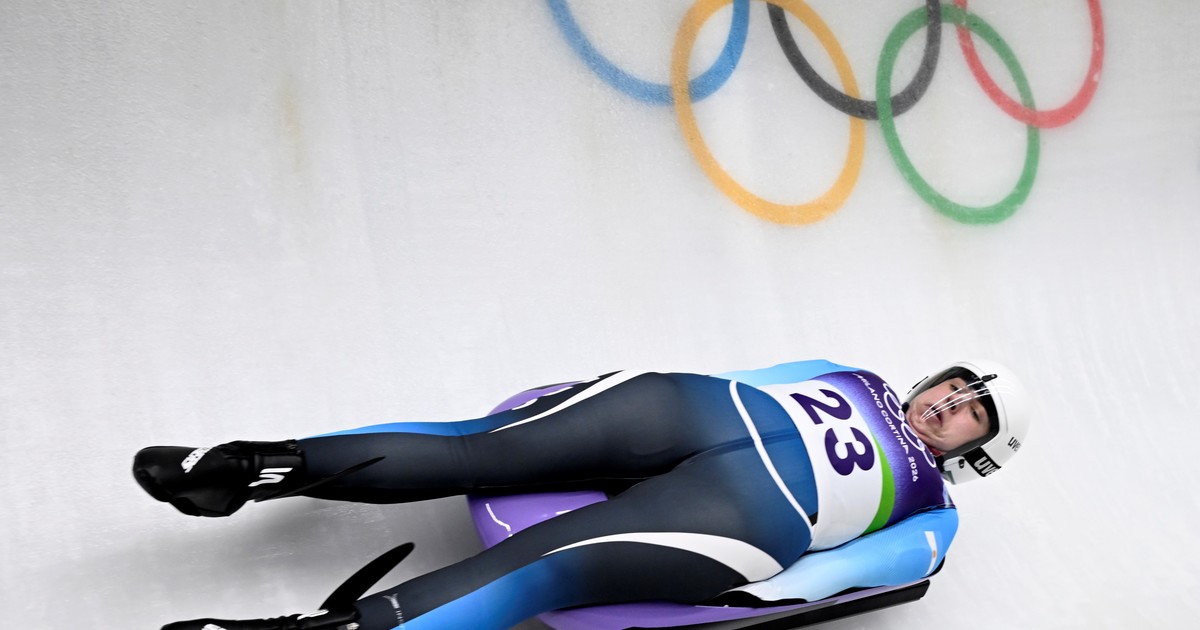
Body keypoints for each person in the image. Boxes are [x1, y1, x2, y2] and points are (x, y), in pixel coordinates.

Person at [133, 359, 1029, 630]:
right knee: (484, 446)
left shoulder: (932, 513)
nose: (948, 405)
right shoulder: (853, 371)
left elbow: (839, 578)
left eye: (970, 414)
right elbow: (749, 376)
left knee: (547, 563)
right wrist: (610, 391)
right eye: (954, 387)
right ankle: (251, 465)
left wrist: (736, 601)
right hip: (696, 410)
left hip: (749, 513)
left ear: (978, 452)